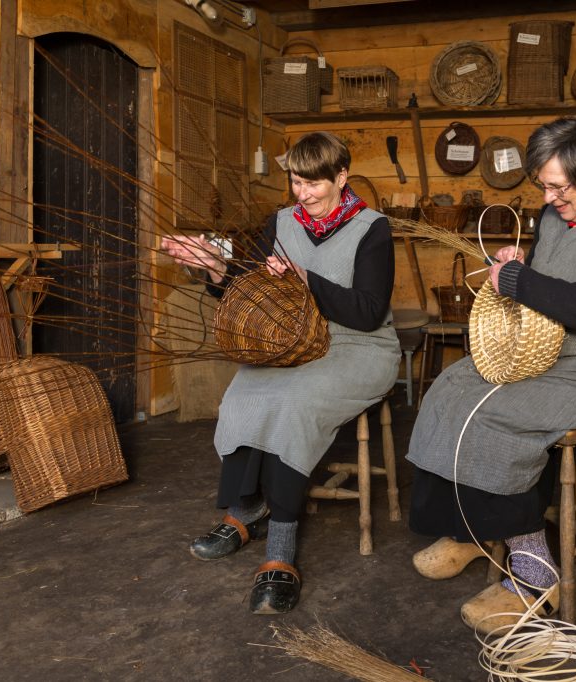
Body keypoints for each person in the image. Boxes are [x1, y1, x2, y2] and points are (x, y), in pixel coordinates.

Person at [405, 115, 576, 634]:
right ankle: (473, 529)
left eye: (558, 186)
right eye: (544, 186)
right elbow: (553, 277)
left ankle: (534, 578)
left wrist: (521, 281)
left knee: (498, 414)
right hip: (557, 359)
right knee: (452, 387)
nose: (549, 197)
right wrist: (519, 261)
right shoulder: (557, 215)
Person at [160, 131, 399, 615]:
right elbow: (250, 289)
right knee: (245, 390)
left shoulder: (372, 229)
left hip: (356, 346)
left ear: (341, 177)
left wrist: (307, 279)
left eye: (314, 184)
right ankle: (247, 507)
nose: (303, 195)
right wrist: (212, 268)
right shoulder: (281, 221)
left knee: (293, 403)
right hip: (291, 341)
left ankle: (281, 552)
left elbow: (370, 311)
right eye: (296, 182)